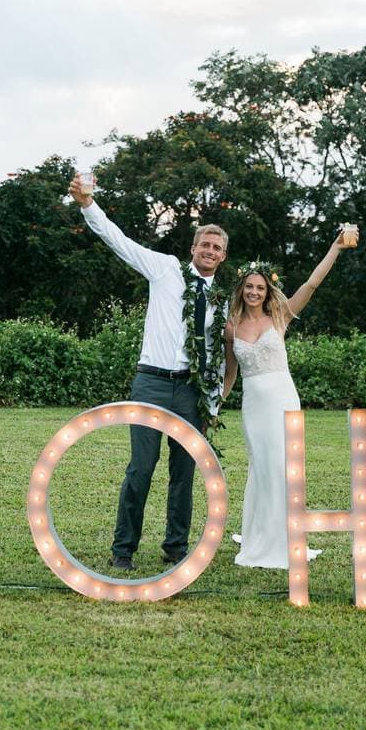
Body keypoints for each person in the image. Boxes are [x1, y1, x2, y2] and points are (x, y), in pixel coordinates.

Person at [68, 174, 228, 571]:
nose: (209, 251)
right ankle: (123, 550)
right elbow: (118, 240)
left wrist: (211, 402)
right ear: (193, 248)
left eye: (217, 248)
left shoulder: (225, 298)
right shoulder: (164, 269)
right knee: (141, 467)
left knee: (184, 471)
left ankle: (176, 548)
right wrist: (88, 204)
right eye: (204, 244)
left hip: (191, 390)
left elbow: (220, 354)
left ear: (223, 256)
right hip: (151, 382)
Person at [221, 226, 359, 568]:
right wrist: (216, 402)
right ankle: (258, 535)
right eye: (249, 287)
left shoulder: (279, 316)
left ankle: (285, 537)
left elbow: (311, 284)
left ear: (268, 291)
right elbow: (231, 372)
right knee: (262, 467)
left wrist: (335, 248)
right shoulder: (230, 328)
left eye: (260, 287)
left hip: (282, 397)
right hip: (253, 403)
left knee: (283, 466)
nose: (254, 292)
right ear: (241, 290)